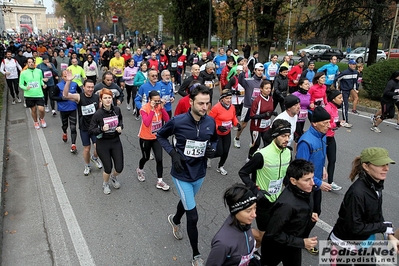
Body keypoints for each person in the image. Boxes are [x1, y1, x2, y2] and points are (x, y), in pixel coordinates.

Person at [157, 85, 218, 266]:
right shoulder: (178, 121)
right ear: (191, 102)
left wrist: (211, 150)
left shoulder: (210, 122)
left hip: (200, 172)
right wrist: (173, 153)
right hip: (182, 173)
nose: (204, 107)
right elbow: (160, 136)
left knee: (187, 201)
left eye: (207, 103)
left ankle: (175, 219)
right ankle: (196, 256)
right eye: (200, 103)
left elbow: (213, 140)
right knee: (193, 216)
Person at [329, 147, 397, 266]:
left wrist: (389, 234)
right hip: (343, 246)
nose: (386, 168)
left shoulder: (376, 184)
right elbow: (355, 227)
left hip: (364, 242)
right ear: (366, 167)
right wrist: (383, 227)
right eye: (380, 164)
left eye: (387, 164)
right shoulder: (357, 193)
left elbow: (376, 214)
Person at [262, 159, 318, 266]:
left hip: (293, 246)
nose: (312, 183)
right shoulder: (286, 205)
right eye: (307, 180)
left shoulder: (306, 190)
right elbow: (272, 234)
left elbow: (301, 211)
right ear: (293, 181)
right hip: (275, 249)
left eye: (312, 178)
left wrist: (309, 216)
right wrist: (302, 243)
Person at [239, 119, 291, 231]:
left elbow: (286, 174)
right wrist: (255, 190)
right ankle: (247, 242)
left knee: (274, 230)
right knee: (264, 233)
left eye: (288, 135)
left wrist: (290, 189)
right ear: (275, 135)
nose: (287, 139)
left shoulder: (288, 153)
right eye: (283, 136)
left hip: (278, 199)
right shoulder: (262, 155)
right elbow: (243, 173)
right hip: (263, 200)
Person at [296, 106, 332, 255]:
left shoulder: (321, 136)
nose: (329, 125)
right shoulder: (306, 141)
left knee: (316, 212)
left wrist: (322, 168)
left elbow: (319, 157)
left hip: (315, 184)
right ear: (315, 123)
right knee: (307, 215)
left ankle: (302, 238)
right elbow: (301, 168)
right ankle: (300, 240)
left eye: (329, 122)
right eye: (325, 123)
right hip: (306, 186)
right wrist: (318, 182)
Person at [206, 184, 258, 266]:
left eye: (255, 208)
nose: (254, 215)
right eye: (248, 211)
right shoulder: (222, 243)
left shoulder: (245, 223)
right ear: (236, 211)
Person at [62, 72, 103, 176]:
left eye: (92, 87)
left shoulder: (96, 97)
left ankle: (94, 158)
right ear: (83, 87)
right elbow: (65, 95)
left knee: (98, 147)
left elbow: (99, 112)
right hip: (84, 127)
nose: (90, 89)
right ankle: (87, 165)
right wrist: (68, 81)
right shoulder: (79, 97)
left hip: (95, 127)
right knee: (87, 148)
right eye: (88, 87)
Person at [89, 89, 123, 195]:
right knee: (108, 167)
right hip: (103, 143)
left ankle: (114, 177)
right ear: (101, 100)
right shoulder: (98, 114)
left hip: (115, 141)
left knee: (119, 167)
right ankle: (105, 183)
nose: (108, 100)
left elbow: (120, 121)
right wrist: (102, 129)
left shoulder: (117, 110)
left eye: (109, 97)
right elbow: (91, 130)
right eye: (105, 98)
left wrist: (120, 127)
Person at [136, 90, 170, 190]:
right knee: (146, 157)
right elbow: (146, 123)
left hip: (157, 137)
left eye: (158, 100)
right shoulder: (144, 109)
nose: (157, 103)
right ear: (150, 100)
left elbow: (167, 120)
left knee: (159, 159)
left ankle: (160, 181)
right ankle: (140, 169)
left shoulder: (159, 106)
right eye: (155, 101)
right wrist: (151, 109)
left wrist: (162, 108)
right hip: (145, 137)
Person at [208, 89, 240, 175]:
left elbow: (233, 117)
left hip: (227, 132)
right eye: (227, 98)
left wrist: (237, 123)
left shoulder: (232, 107)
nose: (229, 100)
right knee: (219, 151)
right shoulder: (216, 108)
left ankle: (220, 166)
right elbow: (210, 121)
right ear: (222, 98)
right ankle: (208, 156)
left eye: (230, 98)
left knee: (226, 151)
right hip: (218, 133)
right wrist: (218, 127)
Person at [234, 63, 264, 149]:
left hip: (257, 107)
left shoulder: (262, 82)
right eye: (258, 70)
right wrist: (243, 71)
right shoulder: (248, 80)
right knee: (243, 124)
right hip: (248, 106)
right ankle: (237, 138)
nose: (260, 72)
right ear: (254, 70)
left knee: (256, 125)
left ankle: (253, 142)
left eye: (261, 71)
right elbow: (240, 80)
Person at [51, 70, 79, 153]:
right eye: (65, 76)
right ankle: (64, 132)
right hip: (63, 109)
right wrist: (61, 98)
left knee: (73, 127)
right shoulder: (58, 86)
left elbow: (80, 94)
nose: (67, 77)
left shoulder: (74, 84)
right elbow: (52, 97)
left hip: (73, 108)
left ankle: (73, 144)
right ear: (62, 77)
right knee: (65, 125)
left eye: (68, 75)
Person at [247, 80, 274, 160]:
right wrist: (264, 115)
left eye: (270, 88)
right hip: (256, 127)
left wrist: (273, 113)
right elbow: (252, 116)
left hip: (266, 126)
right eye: (266, 88)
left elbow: (270, 110)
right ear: (261, 89)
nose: (269, 90)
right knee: (256, 144)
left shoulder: (271, 99)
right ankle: (249, 158)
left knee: (267, 143)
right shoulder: (257, 100)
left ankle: (264, 159)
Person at [19, 57, 47, 129]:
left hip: (39, 93)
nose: (31, 63)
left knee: (41, 109)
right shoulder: (23, 73)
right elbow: (21, 84)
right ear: (27, 64)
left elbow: (40, 80)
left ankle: (42, 119)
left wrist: (43, 84)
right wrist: (26, 88)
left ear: (34, 63)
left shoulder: (39, 71)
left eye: (32, 62)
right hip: (29, 94)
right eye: (29, 62)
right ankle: (35, 122)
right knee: (33, 110)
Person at [324, 90, 344, 191]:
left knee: (332, 160)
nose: (342, 100)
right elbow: (325, 124)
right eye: (339, 98)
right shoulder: (328, 108)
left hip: (331, 137)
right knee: (320, 161)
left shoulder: (335, 108)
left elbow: (334, 123)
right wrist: (335, 125)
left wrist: (338, 123)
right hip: (324, 138)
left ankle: (331, 182)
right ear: (333, 99)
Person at [334, 59, 358, 128]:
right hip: (343, 91)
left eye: (355, 64)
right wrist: (337, 88)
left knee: (344, 105)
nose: (354, 66)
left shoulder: (356, 73)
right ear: (349, 65)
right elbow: (336, 79)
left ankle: (343, 119)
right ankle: (345, 121)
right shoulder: (345, 72)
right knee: (345, 105)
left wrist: (355, 89)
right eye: (352, 64)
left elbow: (355, 81)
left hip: (349, 90)